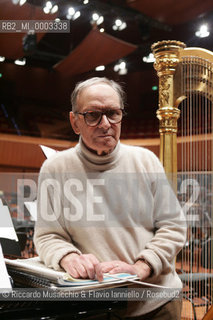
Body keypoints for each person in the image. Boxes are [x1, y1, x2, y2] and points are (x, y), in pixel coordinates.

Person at [34, 77, 186, 319]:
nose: (105, 124)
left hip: (157, 302)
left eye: (113, 113)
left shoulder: (145, 161)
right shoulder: (55, 168)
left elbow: (173, 226)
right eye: (93, 115)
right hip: (96, 308)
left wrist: (140, 267)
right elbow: (47, 235)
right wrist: (67, 256)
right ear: (75, 122)